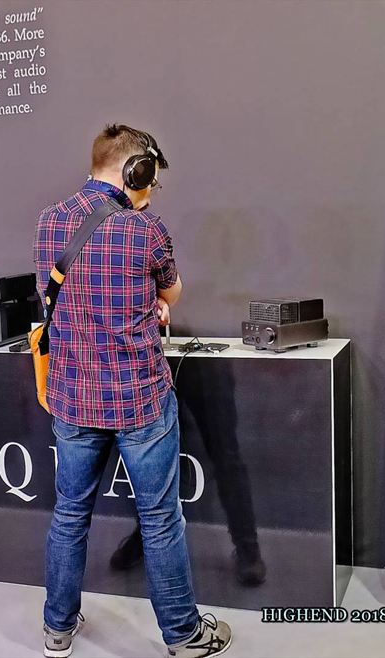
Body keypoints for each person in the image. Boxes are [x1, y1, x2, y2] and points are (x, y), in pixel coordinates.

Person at [34, 124, 232, 658]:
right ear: (135, 171)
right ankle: (184, 636)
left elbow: (58, 296)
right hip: (139, 397)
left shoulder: (49, 221)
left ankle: (57, 629)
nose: (151, 190)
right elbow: (173, 290)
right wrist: (156, 303)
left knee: (69, 514)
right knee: (160, 518)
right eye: (151, 179)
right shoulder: (145, 229)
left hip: (73, 396)